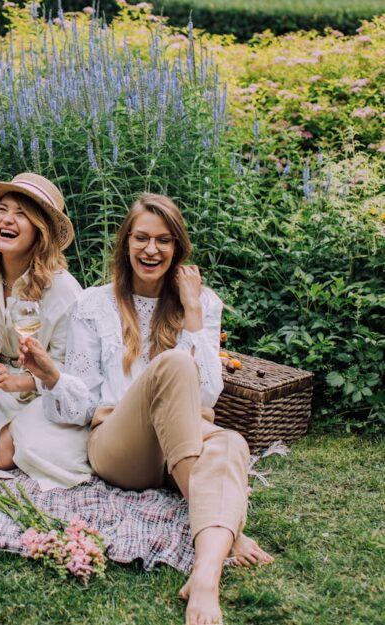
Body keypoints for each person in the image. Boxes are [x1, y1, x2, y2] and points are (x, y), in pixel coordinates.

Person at [20, 194, 273, 625]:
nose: (151, 250)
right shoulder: (94, 305)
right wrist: (52, 376)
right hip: (121, 446)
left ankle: (206, 575)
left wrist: (192, 311)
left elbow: (208, 396)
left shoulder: (202, 304)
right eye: (141, 238)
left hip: (184, 439)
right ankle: (226, 524)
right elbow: (78, 407)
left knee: (232, 441)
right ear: (125, 243)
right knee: (175, 363)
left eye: (164, 240)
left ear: (178, 249)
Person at [0, 173, 91, 490]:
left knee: (29, 448)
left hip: (48, 393)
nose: (8, 220)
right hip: (2, 392)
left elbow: (73, 371)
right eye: (3, 209)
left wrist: (19, 380)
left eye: (22, 214)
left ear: (40, 231)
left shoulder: (63, 289)